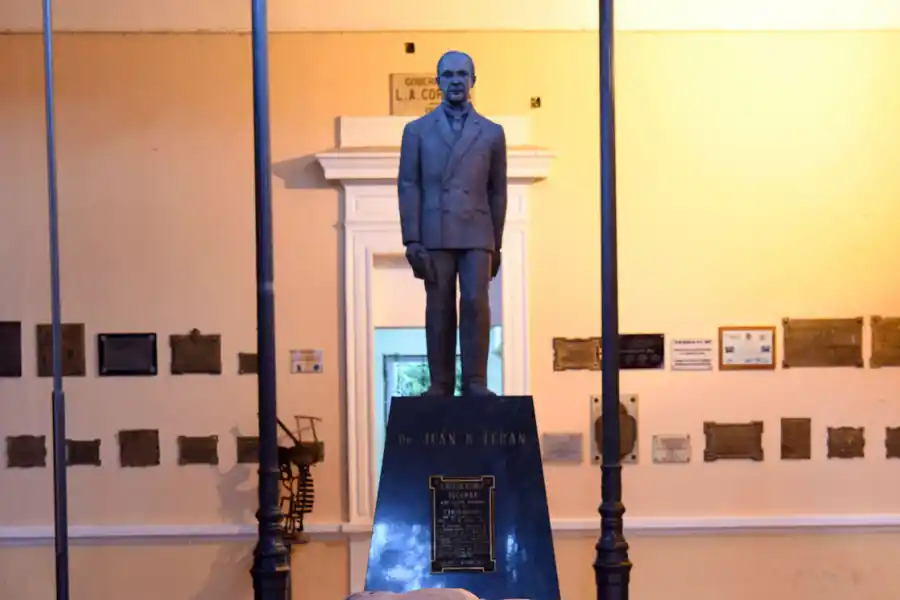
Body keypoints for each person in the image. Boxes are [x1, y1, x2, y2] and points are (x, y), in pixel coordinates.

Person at [397, 50, 508, 396]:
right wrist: (411, 240)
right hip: (435, 231)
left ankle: (476, 381)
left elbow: (497, 191)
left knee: (476, 303)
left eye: (463, 74)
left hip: (477, 232)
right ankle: (440, 383)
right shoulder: (417, 131)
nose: (456, 81)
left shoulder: (492, 133)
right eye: (449, 75)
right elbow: (408, 185)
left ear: (473, 80)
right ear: (438, 82)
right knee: (439, 305)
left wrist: (496, 242)